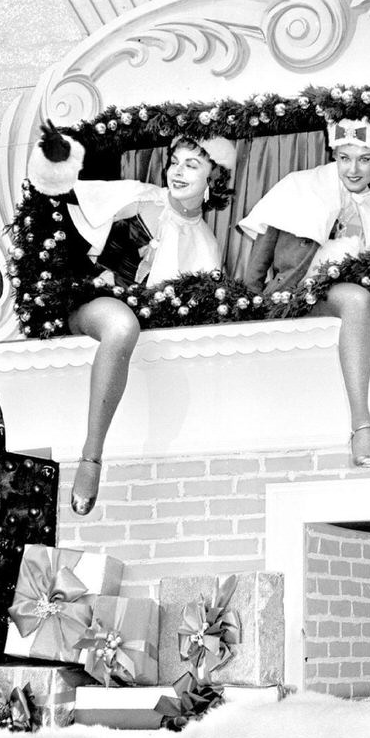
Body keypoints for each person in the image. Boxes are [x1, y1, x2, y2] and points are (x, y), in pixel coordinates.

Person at [27, 123, 238, 515]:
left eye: (192, 165)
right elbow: (64, 196)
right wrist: (55, 161)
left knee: (131, 327)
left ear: (215, 179)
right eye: (175, 162)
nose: (178, 171)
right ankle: (91, 458)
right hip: (92, 302)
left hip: (145, 327)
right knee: (122, 326)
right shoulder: (140, 196)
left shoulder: (207, 246)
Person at [237, 117, 370, 468]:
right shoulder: (302, 185)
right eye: (344, 158)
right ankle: (361, 424)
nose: (352, 169)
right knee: (355, 299)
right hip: (306, 291)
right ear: (333, 153)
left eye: (364, 159)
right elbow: (261, 254)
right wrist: (248, 303)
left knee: (360, 298)